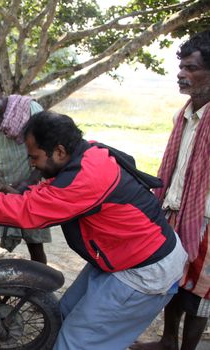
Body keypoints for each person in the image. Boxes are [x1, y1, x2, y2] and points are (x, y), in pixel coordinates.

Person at [0, 111, 188, 349]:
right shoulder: (85, 155)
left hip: (144, 271)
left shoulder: (86, 177)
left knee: (74, 343)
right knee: (61, 316)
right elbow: (47, 194)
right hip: (121, 257)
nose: (31, 164)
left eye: (34, 157)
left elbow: (28, 211)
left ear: (59, 151)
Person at [130, 30, 210, 350]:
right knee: (175, 278)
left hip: (205, 217)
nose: (181, 73)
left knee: (201, 288)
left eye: (191, 68)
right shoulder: (185, 114)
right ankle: (167, 341)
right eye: (182, 67)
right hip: (178, 209)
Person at [0, 71, 51, 263]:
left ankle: (38, 291)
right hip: (1, 192)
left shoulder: (30, 109)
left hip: (30, 192)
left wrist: (27, 184)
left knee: (35, 247)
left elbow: (47, 151)